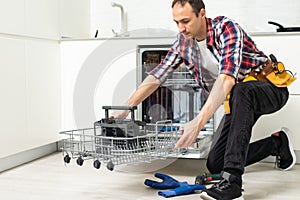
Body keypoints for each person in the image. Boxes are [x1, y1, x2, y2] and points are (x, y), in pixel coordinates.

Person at [111, 0, 296, 199]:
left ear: (202, 14)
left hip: (270, 89)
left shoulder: (226, 28)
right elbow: (157, 76)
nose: (181, 28)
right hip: (238, 101)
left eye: (186, 21)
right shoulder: (184, 42)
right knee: (215, 163)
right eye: (176, 23)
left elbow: (226, 80)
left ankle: (233, 183)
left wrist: (198, 123)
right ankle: (276, 144)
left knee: (240, 90)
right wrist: (125, 108)